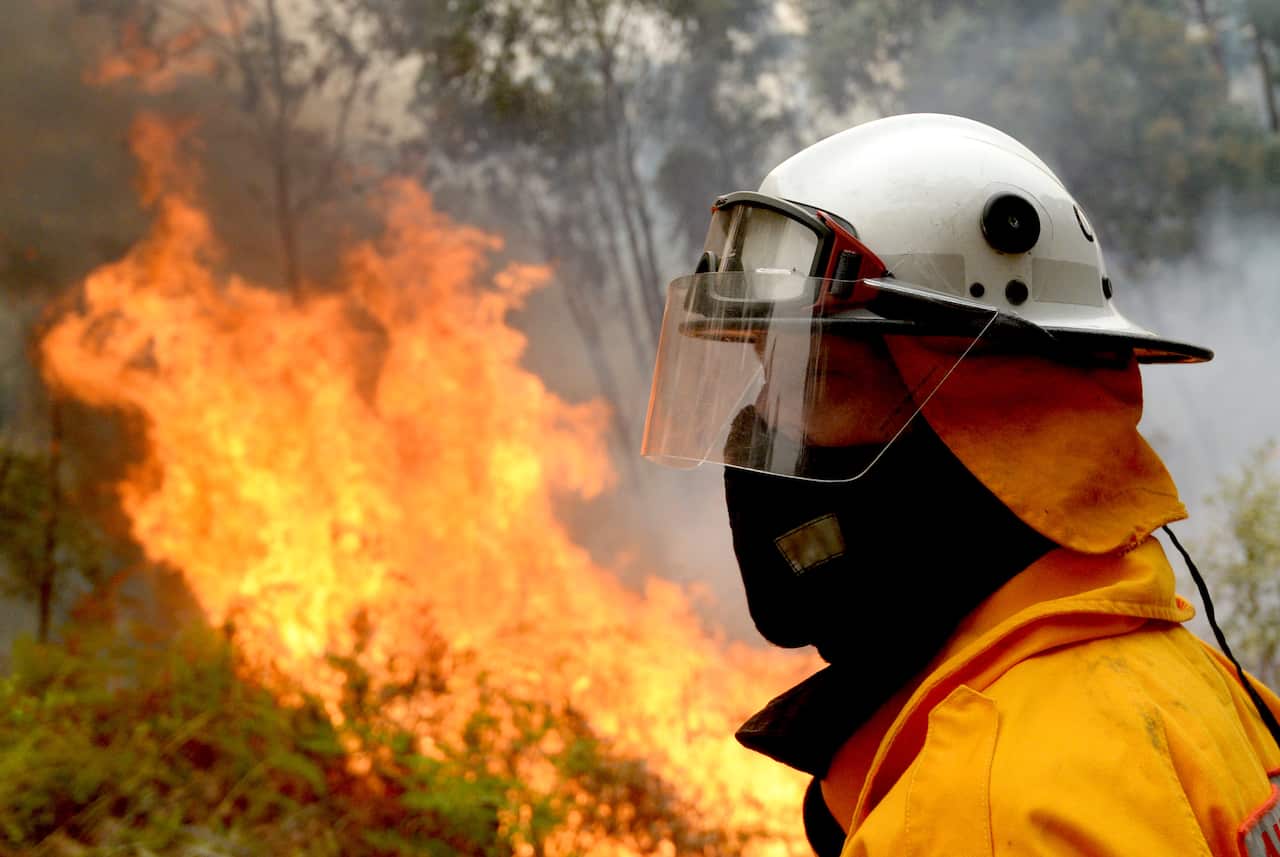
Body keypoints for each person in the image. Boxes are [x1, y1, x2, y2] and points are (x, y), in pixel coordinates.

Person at [642, 113, 1280, 856]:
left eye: (812, 378)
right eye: (763, 370)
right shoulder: (1204, 688)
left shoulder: (976, 814)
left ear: (997, 417)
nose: (761, 425)